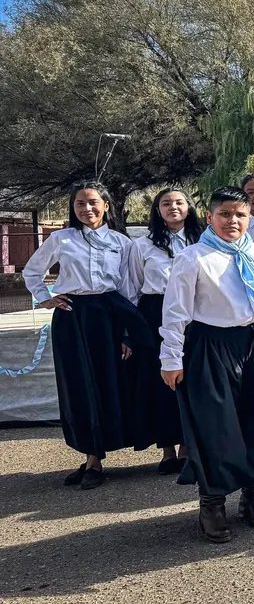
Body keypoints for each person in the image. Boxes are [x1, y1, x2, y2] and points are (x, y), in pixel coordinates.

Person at [160, 186, 254, 544]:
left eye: (240, 214)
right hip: (213, 345)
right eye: (225, 214)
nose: (232, 220)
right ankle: (213, 504)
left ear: (249, 218)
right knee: (216, 427)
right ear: (209, 217)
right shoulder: (193, 257)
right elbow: (175, 312)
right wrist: (171, 357)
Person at [22, 181, 152, 490]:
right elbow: (31, 271)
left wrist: (126, 334)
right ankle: (92, 456)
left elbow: (129, 289)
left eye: (93, 202)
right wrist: (45, 297)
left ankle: (97, 456)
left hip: (109, 316)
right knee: (78, 384)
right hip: (73, 316)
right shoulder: (61, 239)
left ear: (106, 205)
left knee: (107, 383)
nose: (87, 208)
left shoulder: (122, 243)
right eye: (80, 203)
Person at [128, 187, 202, 476]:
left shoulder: (203, 241)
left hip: (194, 313)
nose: (173, 207)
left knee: (191, 379)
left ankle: (187, 447)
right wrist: (129, 332)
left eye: (179, 202)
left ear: (189, 207)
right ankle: (167, 449)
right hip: (154, 313)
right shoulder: (142, 245)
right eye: (166, 203)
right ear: (157, 211)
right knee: (161, 381)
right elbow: (132, 287)